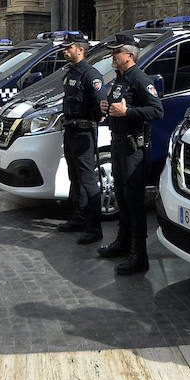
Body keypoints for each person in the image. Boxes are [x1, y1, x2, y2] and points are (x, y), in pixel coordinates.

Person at [98, 33, 163, 275]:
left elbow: (157, 111)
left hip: (132, 148)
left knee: (134, 201)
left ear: (129, 54)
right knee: (122, 197)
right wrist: (105, 106)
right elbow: (116, 105)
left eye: (116, 52)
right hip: (117, 145)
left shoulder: (139, 78)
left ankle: (139, 254)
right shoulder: (120, 78)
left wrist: (128, 113)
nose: (112, 56)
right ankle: (122, 243)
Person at [57, 33, 104, 244]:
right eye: (65, 48)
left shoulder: (90, 74)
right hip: (70, 132)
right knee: (74, 177)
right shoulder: (70, 73)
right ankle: (79, 217)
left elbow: (101, 105)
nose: (65, 51)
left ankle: (94, 228)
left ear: (80, 49)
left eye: (69, 48)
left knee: (88, 180)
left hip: (84, 133)